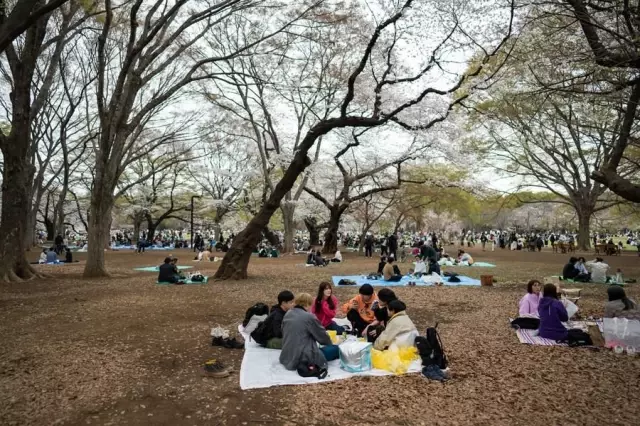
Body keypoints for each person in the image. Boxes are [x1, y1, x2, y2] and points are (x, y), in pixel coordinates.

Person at [280, 293, 337, 372]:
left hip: (287, 354)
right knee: (335, 349)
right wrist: (330, 342)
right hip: (303, 356)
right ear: (307, 304)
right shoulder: (309, 317)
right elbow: (323, 338)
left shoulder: (288, 313)